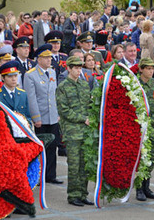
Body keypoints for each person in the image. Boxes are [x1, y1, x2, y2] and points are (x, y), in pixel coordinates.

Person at [56, 56, 93, 207]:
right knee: (74, 165)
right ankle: (73, 195)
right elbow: (64, 110)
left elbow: (89, 104)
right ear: (69, 68)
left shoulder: (84, 85)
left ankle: (83, 194)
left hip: (85, 132)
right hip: (72, 132)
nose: (78, 70)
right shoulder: (62, 87)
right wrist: (83, 118)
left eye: (80, 68)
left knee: (85, 165)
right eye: (76, 68)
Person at [24, 44, 62, 184]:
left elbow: (55, 94)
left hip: (52, 116)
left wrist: (57, 112)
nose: (49, 60)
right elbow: (31, 97)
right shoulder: (30, 75)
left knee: (53, 146)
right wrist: (36, 117)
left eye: (50, 57)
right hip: (40, 116)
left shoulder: (52, 72)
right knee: (39, 148)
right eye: (46, 58)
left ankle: (50, 175)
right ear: (38, 59)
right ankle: (38, 175)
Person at [136, 58, 154, 201]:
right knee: (140, 158)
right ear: (141, 69)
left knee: (150, 158)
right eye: (148, 68)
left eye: (152, 68)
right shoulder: (134, 83)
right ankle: (139, 188)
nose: (151, 71)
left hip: (152, 127)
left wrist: (152, 120)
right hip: (137, 128)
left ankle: (146, 187)